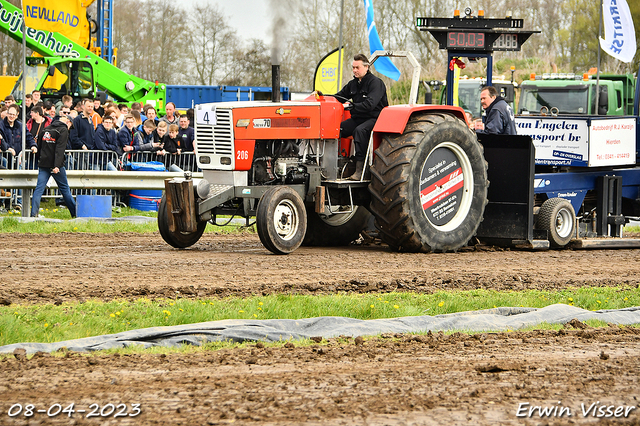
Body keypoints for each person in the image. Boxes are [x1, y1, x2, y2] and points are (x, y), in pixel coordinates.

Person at [334, 53, 388, 180]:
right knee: (337, 129)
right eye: (353, 67)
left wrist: (352, 106)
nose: (354, 70)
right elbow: (339, 97)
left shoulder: (376, 83)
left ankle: (361, 170)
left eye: (357, 68)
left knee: (360, 131)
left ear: (366, 67)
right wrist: (323, 98)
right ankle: (337, 163)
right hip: (358, 118)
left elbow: (370, 104)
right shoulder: (353, 84)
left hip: (375, 119)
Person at [30, 114, 76, 218]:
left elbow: (39, 148)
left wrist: (40, 160)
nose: (69, 129)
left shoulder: (46, 129)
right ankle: (75, 213)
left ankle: (33, 215)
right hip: (56, 166)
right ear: (68, 122)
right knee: (65, 189)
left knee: (38, 189)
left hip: (44, 164)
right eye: (70, 126)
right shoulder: (63, 130)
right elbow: (60, 150)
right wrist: (57, 166)